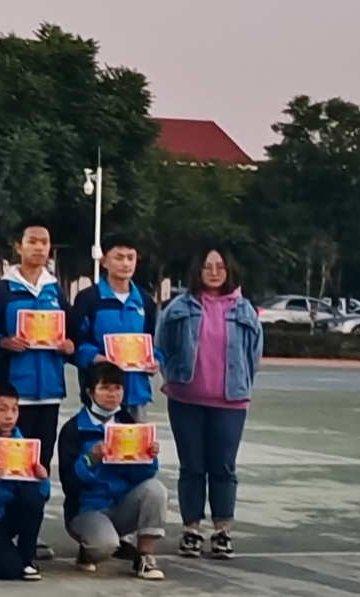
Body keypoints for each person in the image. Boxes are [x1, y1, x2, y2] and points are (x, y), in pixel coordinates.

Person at [157, 247, 262, 559]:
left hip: (230, 402)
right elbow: (162, 346)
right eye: (207, 266)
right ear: (197, 271)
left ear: (229, 271)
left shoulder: (245, 310)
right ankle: (191, 530)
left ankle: (222, 531)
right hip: (185, 400)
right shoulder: (179, 307)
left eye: (220, 267)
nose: (214, 272)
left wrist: (239, 384)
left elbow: (253, 355)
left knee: (223, 467)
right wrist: (175, 376)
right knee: (192, 466)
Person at [0, 218, 74, 559]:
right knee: (5, 464)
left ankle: (29, 534)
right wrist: (2, 342)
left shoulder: (56, 291)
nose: (39, 247)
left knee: (38, 464)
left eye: (44, 242)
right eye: (32, 241)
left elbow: (72, 336)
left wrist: (68, 347)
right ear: (18, 247)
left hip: (48, 392)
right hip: (12, 395)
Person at [58, 361, 167, 581]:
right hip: (86, 509)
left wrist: (148, 457)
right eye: (105, 388)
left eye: (117, 388)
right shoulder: (74, 429)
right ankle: (87, 550)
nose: (112, 394)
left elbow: (141, 477)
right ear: (90, 392)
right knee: (104, 547)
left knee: (155, 490)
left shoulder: (128, 424)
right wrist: (90, 460)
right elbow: (69, 483)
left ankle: (145, 556)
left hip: (120, 505)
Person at [71, 234, 161, 422]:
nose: (125, 264)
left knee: (134, 440)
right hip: (101, 392)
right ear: (104, 261)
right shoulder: (88, 299)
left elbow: (155, 341)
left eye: (130, 258)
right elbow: (76, 341)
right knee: (98, 439)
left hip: (136, 393)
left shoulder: (145, 301)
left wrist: (156, 361)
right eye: (119, 258)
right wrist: (96, 358)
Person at [0, 382, 51, 581]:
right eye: (1, 409)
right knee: (9, 571)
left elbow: (42, 495)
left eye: (14, 409)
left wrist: (43, 479)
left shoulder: (26, 445)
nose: (9, 416)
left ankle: (27, 557)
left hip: (17, 513)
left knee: (32, 497)